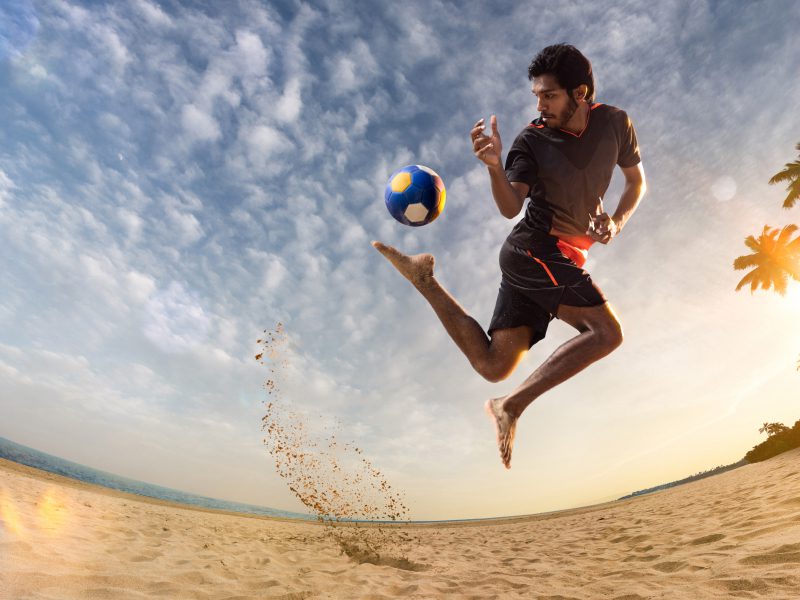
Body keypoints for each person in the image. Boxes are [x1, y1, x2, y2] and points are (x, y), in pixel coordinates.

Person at [372, 44, 646, 468]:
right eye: (536, 95)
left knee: (493, 365)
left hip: (557, 258)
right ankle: (511, 406)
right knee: (607, 333)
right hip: (533, 249)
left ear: (580, 93)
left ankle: (425, 280)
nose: (539, 105)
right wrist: (493, 167)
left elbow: (636, 182)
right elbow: (509, 207)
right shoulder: (531, 140)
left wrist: (616, 222)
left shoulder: (615, 122)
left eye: (549, 95)